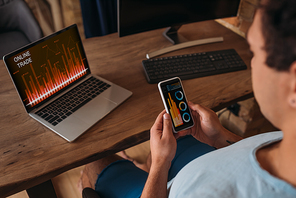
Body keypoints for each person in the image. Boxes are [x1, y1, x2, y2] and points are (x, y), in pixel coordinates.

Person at [78, 0, 296, 197]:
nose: (253, 64)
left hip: (171, 185)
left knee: (97, 162)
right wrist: (219, 138)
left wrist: (160, 165)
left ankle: (140, 173)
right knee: (180, 136)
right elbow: (254, 151)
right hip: (206, 159)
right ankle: (145, 169)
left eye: (255, 53)